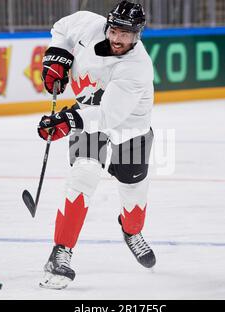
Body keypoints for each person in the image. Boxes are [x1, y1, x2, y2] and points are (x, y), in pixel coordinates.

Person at [37, 0, 155, 289]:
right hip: (86, 117)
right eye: (115, 31)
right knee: (84, 174)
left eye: (126, 35)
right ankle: (60, 252)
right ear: (107, 25)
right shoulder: (86, 24)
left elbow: (106, 116)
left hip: (130, 127)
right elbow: (60, 29)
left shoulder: (137, 68)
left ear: (137, 36)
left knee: (133, 191)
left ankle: (132, 232)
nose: (118, 39)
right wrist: (58, 56)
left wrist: (66, 120)